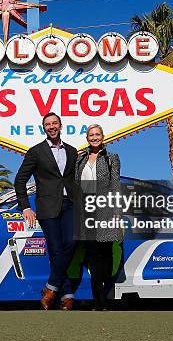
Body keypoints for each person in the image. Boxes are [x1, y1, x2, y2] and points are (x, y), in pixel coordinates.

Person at [14, 112, 78, 311]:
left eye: (54, 123)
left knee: (73, 242)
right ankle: (66, 295)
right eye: (47, 124)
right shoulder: (35, 152)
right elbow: (20, 181)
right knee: (56, 250)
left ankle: (50, 288)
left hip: (71, 205)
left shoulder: (72, 151)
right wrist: (26, 206)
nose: (51, 126)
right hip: (47, 207)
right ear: (44, 128)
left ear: (60, 126)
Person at [75, 124, 122, 311]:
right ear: (87, 138)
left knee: (106, 255)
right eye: (91, 135)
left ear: (103, 137)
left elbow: (116, 183)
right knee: (93, 256)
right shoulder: (80, 160)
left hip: (106, 209)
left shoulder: (112, 158)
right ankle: (98, 299)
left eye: (97, 134)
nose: (94, 137)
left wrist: (117, 209)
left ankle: (106, 296)